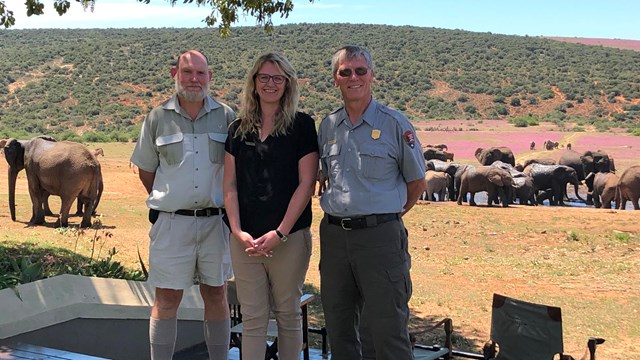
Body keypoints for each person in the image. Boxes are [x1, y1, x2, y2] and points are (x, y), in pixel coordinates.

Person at [317, 45, 427, 360]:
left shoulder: (395, 123)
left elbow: (416, 182)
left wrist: (384, 216)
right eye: (345, 72)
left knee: (388, 331)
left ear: (372, 76)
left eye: (360, 70)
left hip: (380, 239)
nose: (353, 77)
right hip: (335, 238)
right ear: (336, 79)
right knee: (339, 330)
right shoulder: (328, 126)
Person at [130, 50, 236, 360]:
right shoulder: (157, 118)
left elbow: (235, 171)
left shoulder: (227, 117)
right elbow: (147, 170)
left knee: (216, 294)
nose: (194, 79)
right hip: (172, 224)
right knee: (166, 298)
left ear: (210, 77)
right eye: (187, 72)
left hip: (216, 222)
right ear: (175, 73)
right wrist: (171, 201)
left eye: (200, 73)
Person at [223, 52, 319, 360]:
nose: (271, 83)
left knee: (287, 314)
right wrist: (237, 231)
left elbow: (307, 184)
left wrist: (280, 232)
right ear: (253, 82)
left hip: (288, 238)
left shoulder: (302, 125)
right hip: (245, 242)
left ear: (288, 84)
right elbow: (230, 185)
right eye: (264, 77)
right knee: (252, 318)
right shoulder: (237, 129)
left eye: (278, 78)